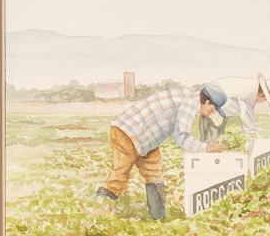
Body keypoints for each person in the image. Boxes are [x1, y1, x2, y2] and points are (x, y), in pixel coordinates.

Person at [96, 80, 230, 220]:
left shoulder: (187, 97)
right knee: (120, 173)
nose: (211, 113)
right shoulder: (190, 103)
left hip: (144, 138)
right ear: (207, 101)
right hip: (128, 130)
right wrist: (205, 148)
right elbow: (181, 137)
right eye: (213, 108)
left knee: (154, 174)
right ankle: (98, 207)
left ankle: (158, 218)